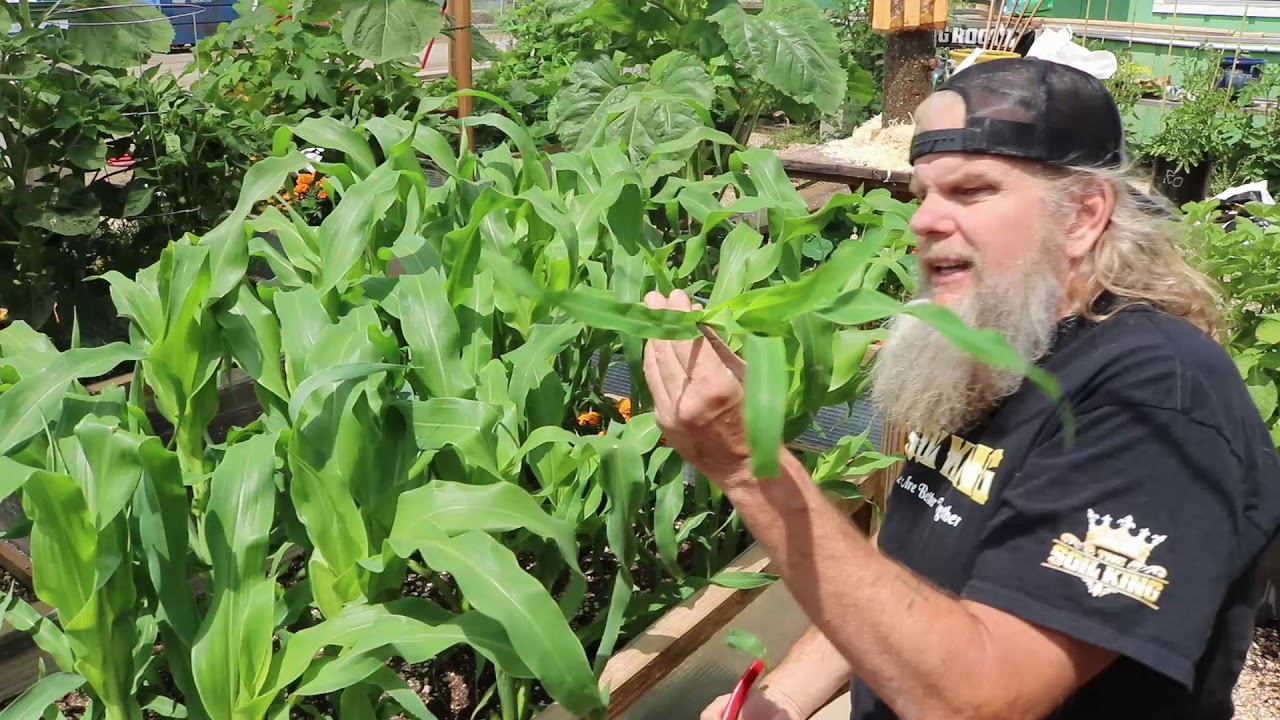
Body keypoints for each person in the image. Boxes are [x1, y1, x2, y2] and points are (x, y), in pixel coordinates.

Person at [640, 58, 1280, 720]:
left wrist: (752, 465)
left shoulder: (1155, 402)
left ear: (1085, 215)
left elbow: (980, 700)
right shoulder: (997, 351)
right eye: (923, 195)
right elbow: (910, 583)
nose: (923, 222)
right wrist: (783, 699)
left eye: (972, 191)